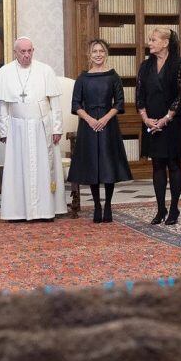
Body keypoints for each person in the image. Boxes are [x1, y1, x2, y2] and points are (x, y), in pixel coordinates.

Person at [0, 37, 67, 220]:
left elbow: (55, 103)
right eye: (22, 52)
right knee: (18, 169)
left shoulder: (45, 70)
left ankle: (46, 210)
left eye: (29, 51)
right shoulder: (4, 72)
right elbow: (1, 106)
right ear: (15, 52)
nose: (26, 55)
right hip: (17, 129)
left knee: (44, 169)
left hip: (43, 127)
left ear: (34, 50)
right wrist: (4, 131)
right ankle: (17, 211)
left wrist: (57, 128)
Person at [67, 39, 133, 223]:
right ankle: (96, 205)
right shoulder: (82, 78)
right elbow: (76, 104)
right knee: (93, 165)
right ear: (89, 54)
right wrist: (89, 119)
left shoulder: (113, 76)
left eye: (101, 51)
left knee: (108, 164)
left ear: (106, 54)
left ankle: (108, 206)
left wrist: (104, 119)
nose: (98, 54)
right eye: (94, 51)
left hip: (108, 124)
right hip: (88, 126)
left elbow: (119, 103)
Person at [136, 28, 181, 225]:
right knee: (157, 165)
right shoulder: (145, 66)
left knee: (173, 164)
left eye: (153, 39)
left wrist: (167, 118)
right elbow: (139, 93)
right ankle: (160, 209)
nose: (150, 43)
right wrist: (145, 118)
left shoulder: (179, 64)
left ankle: (174, 208)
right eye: (150, 39)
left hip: (173, 123)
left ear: (165, 42)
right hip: (151, 122)